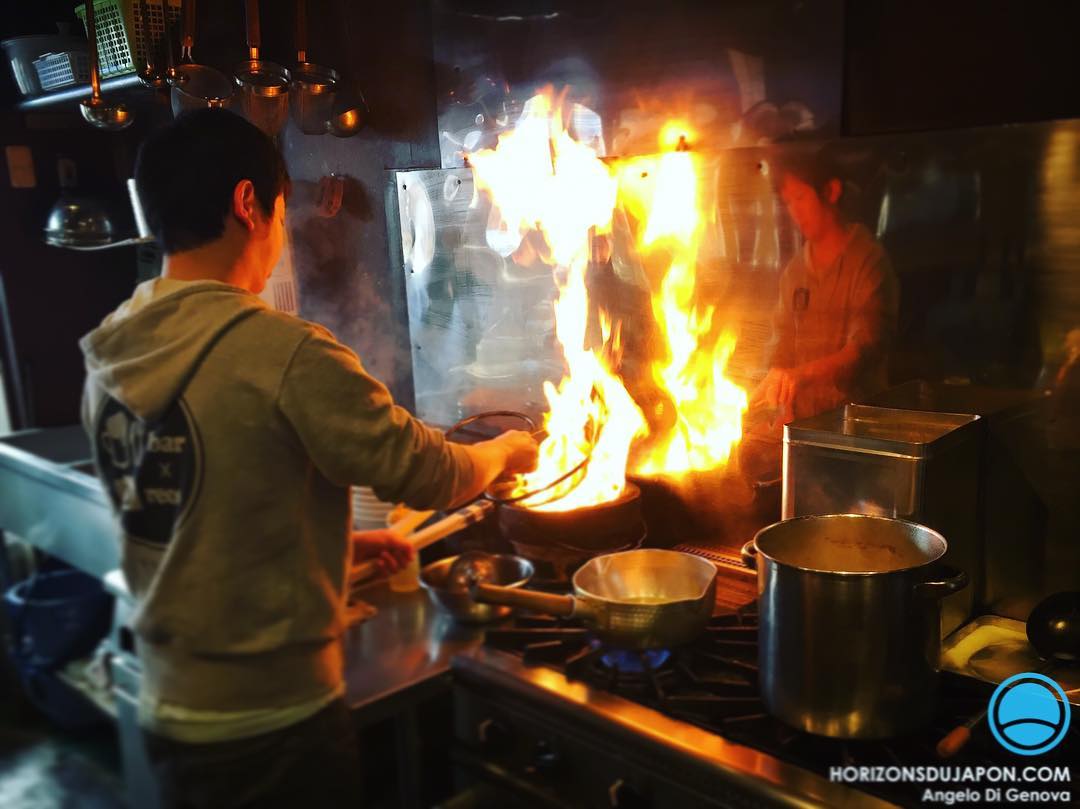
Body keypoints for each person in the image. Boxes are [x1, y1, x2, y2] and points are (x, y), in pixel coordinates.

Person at [79, 109, 538, 808]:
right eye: (281, 209)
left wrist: (334, 548)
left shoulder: (113, 351)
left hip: (172, 712)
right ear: (248, 204)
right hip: (273, 728)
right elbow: (434, 474)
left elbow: (194, 519)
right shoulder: (283, 352)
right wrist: (506, 449)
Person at [752, 148, 898, 425]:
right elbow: (781, 344)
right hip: (801, 426)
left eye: (800, 197)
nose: (795, 212)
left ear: (831, 191)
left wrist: (800, 376)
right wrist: (778, 390)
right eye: (788, 202)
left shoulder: (867, 261)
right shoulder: (795, 272)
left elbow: (863, 350)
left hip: (856, 426)